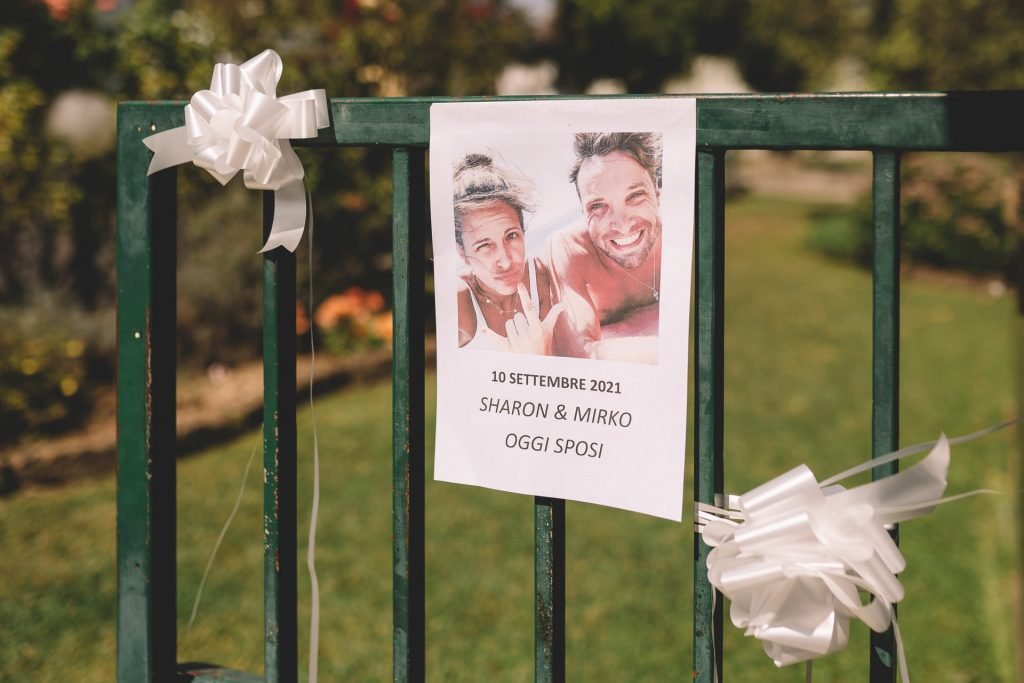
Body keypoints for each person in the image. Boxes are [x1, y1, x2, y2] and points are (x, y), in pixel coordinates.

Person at [546, 132, 663, 363]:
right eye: (598, 206)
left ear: (657, 195)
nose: (622, 225)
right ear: (583, 213)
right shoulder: (571, 249)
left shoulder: (681, 225)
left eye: (635, 196)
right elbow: (580, 352)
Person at [453, 153, 563, 354]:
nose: (505, 260)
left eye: (511, 236)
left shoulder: (546, 278)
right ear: (462, 252)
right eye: (484, 245)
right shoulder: (458, 302)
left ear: (523, 232)